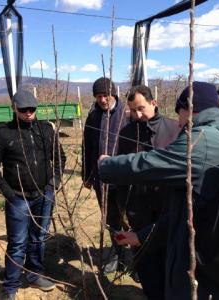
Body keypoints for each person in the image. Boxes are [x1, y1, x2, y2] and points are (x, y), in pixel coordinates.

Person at [98, 82, 219, 299]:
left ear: (189, 109)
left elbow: (150, 164)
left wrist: (107, 165)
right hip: (202, 239)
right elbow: (184, 209)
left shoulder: (200, 139)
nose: (180, 121)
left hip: (197, 252)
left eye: (180, 112)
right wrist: (141, 236)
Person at [0, 90, 66, 299]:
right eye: (24, 110)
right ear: (14, 109)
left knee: (38, 238)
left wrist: (53, 183)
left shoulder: (45, 131)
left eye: (32, 109)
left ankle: (34, 274)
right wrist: (9, 193)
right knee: (18, 242)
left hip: (43, 195)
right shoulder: (4, 134)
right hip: (18, 198)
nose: (29, 113)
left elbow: (60, 158)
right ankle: (11, 286)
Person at [117, 85, 179, 299]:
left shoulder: (175, 129)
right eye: (133, 110)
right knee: (148, 269)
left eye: (141, 108)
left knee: (172, 268)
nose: (138, 115)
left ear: (155, 102)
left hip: (169, 212)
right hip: (139, 212)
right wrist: (122, 208)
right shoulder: (126, 134)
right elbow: (122, 175)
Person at [82, 77, 128, 273]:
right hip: (103, 178)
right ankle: (117, 253)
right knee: (110, 218)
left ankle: (133, 255)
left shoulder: (127, 113)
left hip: (126, 176)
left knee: (130, 217)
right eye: (98, 96)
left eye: (106, 95)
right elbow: (87, 148)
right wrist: (87, 174)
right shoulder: (93, 116)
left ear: (114, 94)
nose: (102, 100)